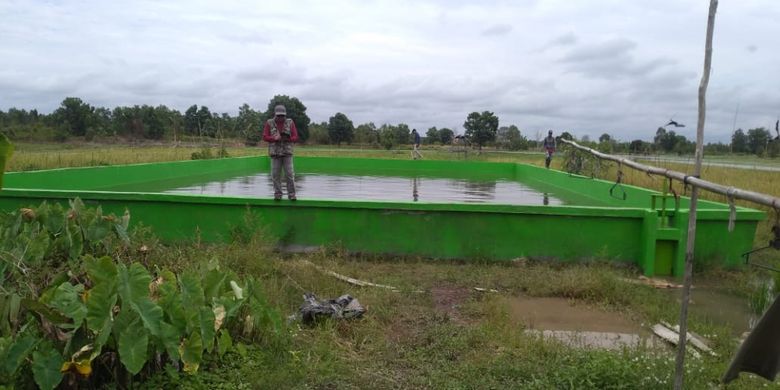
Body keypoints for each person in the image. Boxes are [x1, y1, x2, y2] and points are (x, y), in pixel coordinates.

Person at [262, 105, 299, 200]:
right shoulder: (269, 123)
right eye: (279, 115)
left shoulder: (290, 122)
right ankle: (278, 194)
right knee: (275, 175)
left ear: (285, 115)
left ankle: (292, 195)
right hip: (275, 154)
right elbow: (265, 137)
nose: (280, 117)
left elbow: (295, 137)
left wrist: (288, 138)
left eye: (282, 115)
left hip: (287, 153)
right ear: (275, 114)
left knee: (290, 175)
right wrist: (274, 138)